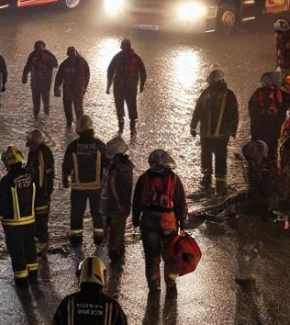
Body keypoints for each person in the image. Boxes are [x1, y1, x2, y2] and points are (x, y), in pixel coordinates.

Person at [132, 150, 187, 290]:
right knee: (171, 256)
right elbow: (181, 203)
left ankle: (154, 285)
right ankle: (171, 282)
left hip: (148, 220)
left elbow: (137, 200)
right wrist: (182, 223)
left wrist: (135, 220)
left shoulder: (144, 178)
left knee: (151, 257)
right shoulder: (174, 178)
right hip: (168, 222)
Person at [0, 146, 39, 286]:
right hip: (30, 220)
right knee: (30, 246)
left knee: (17, 251)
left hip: (13, 224)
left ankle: (21, 281)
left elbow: (2, 203)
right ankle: (33, 275)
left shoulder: (6, 181)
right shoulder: (31, 175)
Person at [62, 115, 106, 247]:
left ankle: (76, 240)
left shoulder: (73, 146)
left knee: (77, 213)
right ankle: (99, 239)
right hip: (96, 186)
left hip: (78, 188)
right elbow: (107, 164)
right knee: (97, 213)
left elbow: (66, 165)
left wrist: (65, 179)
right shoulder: (100, 145)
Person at [190, 68, 239, 185]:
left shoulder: (229, 95)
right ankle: (207, 176)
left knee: (220, 156)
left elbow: (234, 114)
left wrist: (232, 130)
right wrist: (193, 126)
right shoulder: (206, 93)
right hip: (206, 133)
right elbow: (198, 110)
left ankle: (220, 179)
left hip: (220, 133)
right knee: (206, 155)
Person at [101, 137, 133, 262]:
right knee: (118, 229)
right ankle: (116, 253)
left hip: (110, 205)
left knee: (114, 229)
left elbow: (106, 185)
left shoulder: (111, 167)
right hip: (119, 206)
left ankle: (115, 250)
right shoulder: (125, 167)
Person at [106, 38, 147, 135]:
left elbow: (110, 71)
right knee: (132, 106)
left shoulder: (117, 57)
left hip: (119, 87)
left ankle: (121, 126)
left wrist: (108, 86)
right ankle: (132, 128)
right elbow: (143, 73)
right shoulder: (136, 58)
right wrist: (141, 85)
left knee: (119, 106)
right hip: (131, 88)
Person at [248, 71, 288, 163]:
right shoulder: (282, 93)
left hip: (259, 128)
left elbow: (252, 110)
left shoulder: (257, 93)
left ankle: (261, 167)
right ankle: (272, 164)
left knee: (260, 149)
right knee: (273, 148)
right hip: (276, 127)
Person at [26, 129, 55, 254]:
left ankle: (43, 243)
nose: (30, 147)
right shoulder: (34, 153)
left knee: (41, 219)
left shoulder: (42, 153)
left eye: (31, 144)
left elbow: (42, 176)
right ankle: (38, 241)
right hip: (36, 192)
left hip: (41, 193)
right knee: (36, 219)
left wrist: (43, 194)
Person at [54, 47, 90, 126]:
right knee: (67, 106)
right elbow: (59, 76)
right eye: (70, 55)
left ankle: (80, 124)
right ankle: (69, 122)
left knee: (78, 108)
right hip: (67, 89)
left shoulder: (82, 63)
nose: (71, 57)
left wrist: (84, 87)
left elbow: (86, 76)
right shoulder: (65, 63)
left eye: (72, 55)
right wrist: (56, 88)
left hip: (78, 90)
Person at [22, 40, 58, 117]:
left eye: (39, 47)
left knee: (45, 100)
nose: (38, 49)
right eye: (36, 48)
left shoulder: (49, 54)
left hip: (45, 82)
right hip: (35, 82)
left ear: (44, 47)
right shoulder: (32, 55)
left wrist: (45, 59)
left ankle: (46, 115)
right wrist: (24, 77)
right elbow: (28, 66)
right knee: (36, 100)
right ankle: (36, 115)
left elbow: (55, 64)